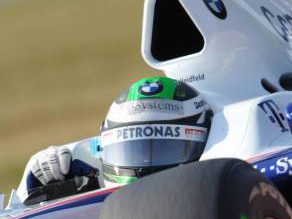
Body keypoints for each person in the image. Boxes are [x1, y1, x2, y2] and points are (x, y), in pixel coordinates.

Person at [17, 76, 212, 202]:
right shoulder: (94, 175)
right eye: (133, 150)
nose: (145, 162)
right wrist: (34, 186)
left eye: (166, 148)